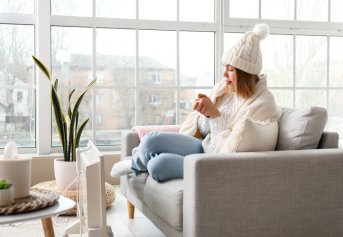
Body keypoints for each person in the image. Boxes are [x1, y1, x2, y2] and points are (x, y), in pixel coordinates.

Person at [113, 23, 282, 182]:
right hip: (204, 145)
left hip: (213, 161)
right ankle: (136, 163)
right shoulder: (226, 90)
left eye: (230, 70)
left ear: (244, 73)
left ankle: (141, 161)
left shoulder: (263, 103)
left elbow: (233, 146)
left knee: (158, 165)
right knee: (151, 140)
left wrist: (215, 116)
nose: (224, 75)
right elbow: (203, 132)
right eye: (225, 68)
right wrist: (205, 113)